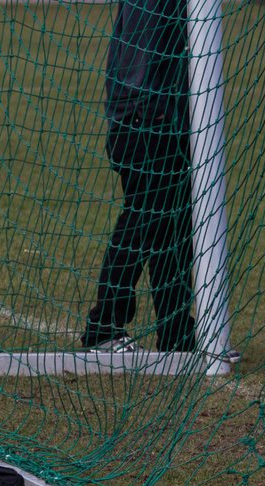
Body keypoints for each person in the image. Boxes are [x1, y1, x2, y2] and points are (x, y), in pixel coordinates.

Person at [82, 0, 197, 354]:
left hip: (164, 119)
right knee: (144, 220)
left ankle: (177, 334)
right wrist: (148, 111)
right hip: (146, 120)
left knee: (172, 231)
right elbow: (140, 53)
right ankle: (104, 326)